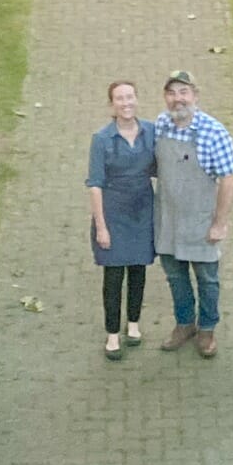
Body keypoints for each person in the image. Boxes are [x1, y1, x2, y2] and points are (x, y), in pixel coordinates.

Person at [152, 70, 233, 359]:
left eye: (184, 92)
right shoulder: (161, 125)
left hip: (201, 222)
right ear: (166, 98)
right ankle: (185, 324)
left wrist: (219, 223)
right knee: (176, 278)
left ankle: (207, 329)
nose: (178, 99)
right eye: (172, 93)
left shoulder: (214, 132)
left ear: (195, 96)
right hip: (168, 220)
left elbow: (228, 179)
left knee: (207, 280)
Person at [89, 79, 158, 360]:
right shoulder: (102, 139)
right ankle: (112, 334)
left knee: (138, 272)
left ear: (137, 100)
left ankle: (133, 324)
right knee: (114, 276)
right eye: (120, 98)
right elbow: (95, 184)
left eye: (130, 97)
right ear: (111, 105)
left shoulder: (151, 132)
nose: (126, 103)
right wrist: (102, 227)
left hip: (142, 211)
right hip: (114, 214)